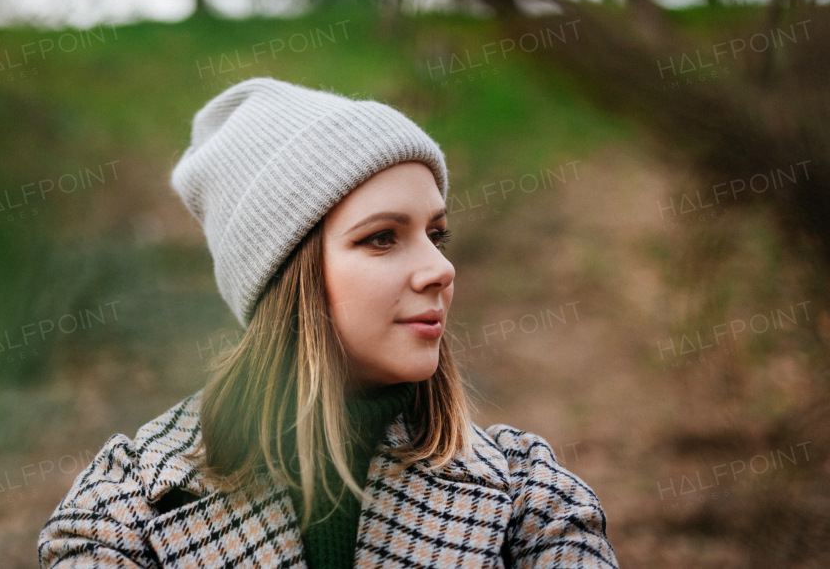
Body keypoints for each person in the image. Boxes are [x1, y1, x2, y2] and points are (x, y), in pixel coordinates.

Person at [38, 76, 619, 568]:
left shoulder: (531, 499)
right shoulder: (125, 508)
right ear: (287, 279)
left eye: (436, 235)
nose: (440, 269)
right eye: (382, 238)